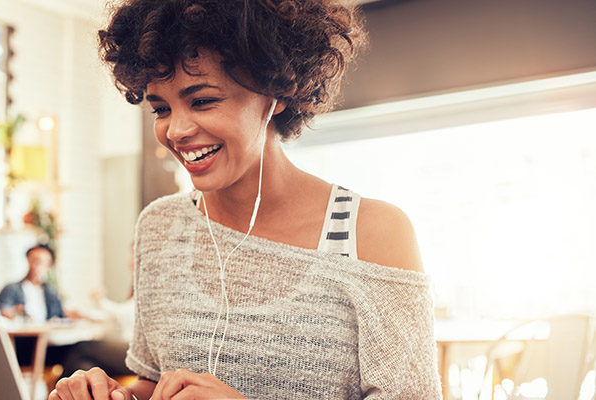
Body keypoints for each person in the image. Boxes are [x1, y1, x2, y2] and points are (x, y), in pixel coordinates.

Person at [52, 0, 441, 399]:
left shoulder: (371, 234)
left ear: (277, 91)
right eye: (161, 108)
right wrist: (111, 395)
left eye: (202, 100)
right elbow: (157, 384)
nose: (177, 130)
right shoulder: (161, 227)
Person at [0, 244, 80, 368]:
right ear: (27, 261)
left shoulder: (51, 293)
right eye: (35, 261)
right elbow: (2, 313)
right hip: (23, 347)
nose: (38, 266)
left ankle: (59, 385)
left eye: (44, 263)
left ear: (48, 267)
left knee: (80, 352)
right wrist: (16, 312)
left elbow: (59, 316)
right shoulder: (11, 289)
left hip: (47, 345)